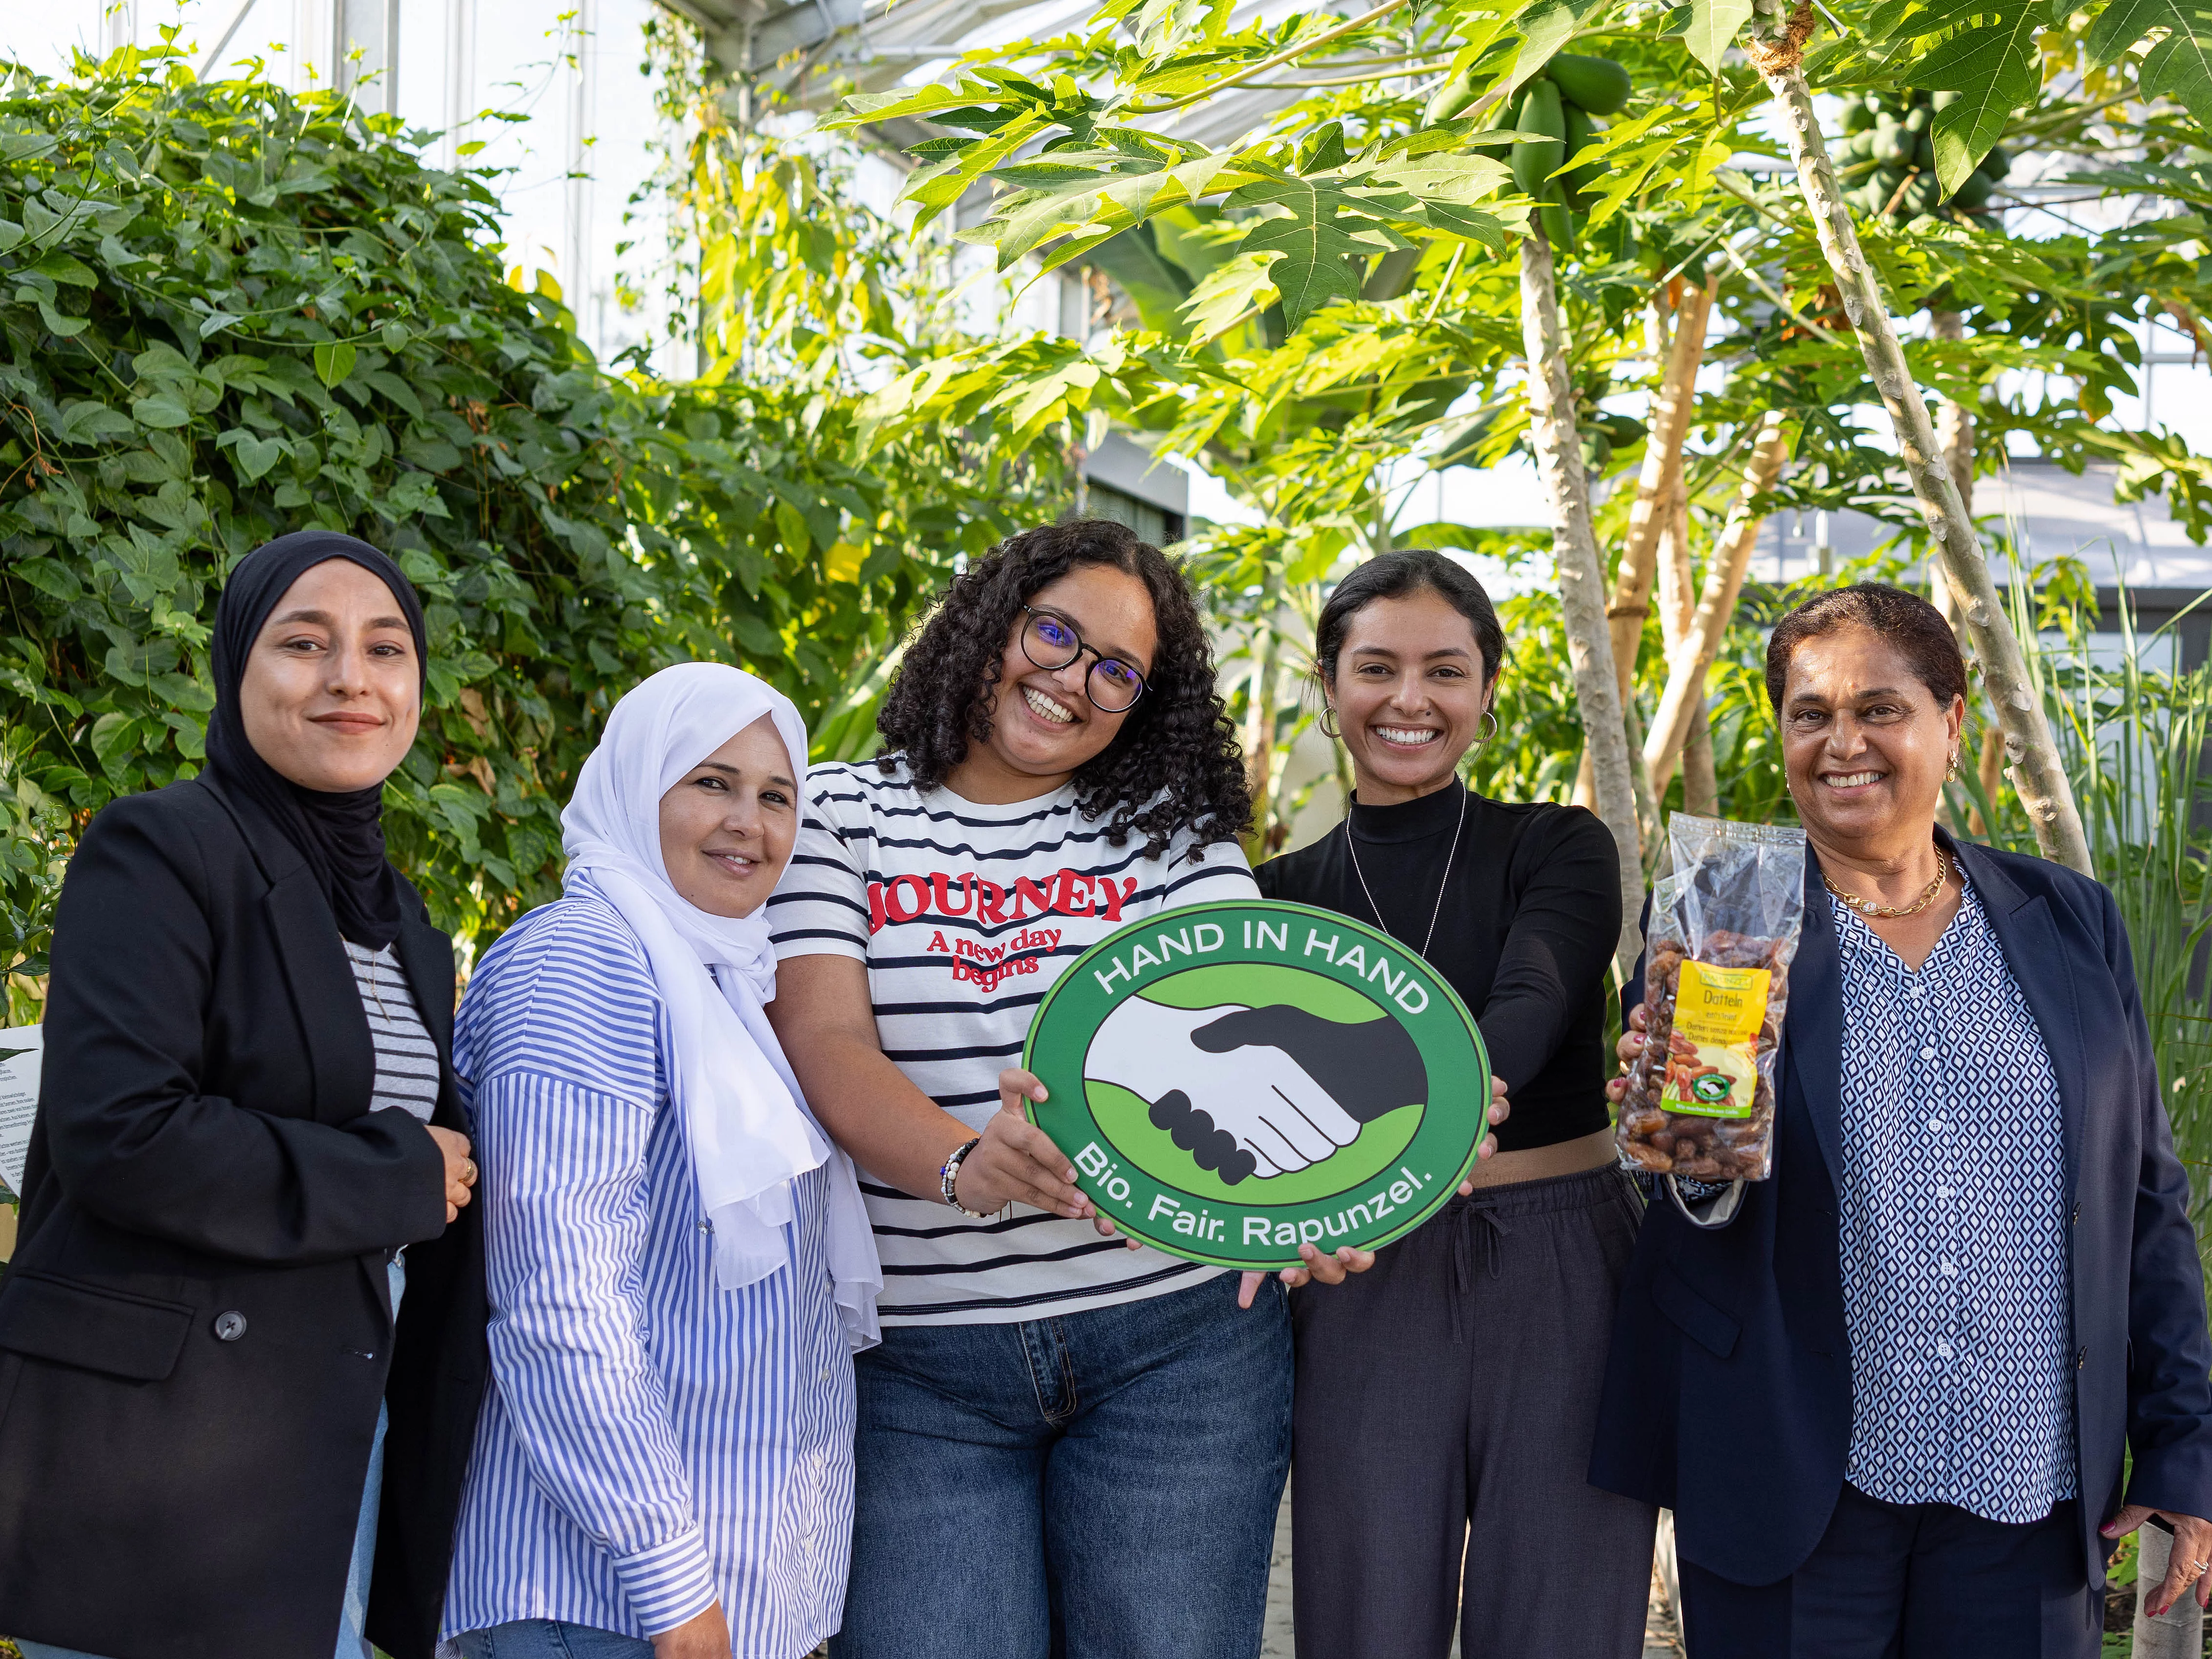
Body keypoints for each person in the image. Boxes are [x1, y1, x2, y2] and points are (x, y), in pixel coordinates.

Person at [767, 519, 1386, 1658]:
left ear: (1141, 704)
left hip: (1176, 1351)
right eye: (1054, 633)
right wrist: (963, 1163)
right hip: (920, 1369)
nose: (1071, 680)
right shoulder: (836, 815)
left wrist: (1315, 1203)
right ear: (992, 623)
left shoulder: (1180, 845)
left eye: (1116, 671)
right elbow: (823, 1042)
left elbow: (1249, 1062)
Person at [1591, 583, 2212, 1656]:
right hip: (1794, 1479)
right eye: (1808, 713)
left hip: (2024, 1477)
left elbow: (2145, 1198)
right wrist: (1679, 1142)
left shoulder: (2069, 919)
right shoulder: (1727, 911)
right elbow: (1695, 1182)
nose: (1841, 743)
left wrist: (2180, 1447)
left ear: (1951, 725)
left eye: (1877, 708)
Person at [0, 532, 487, 1659]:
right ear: (236, 668)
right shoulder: (161, 848)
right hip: (169, 1471)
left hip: (328, 1452)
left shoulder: (407, 923)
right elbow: (122, 1132)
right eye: (302, 643)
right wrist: (400, 1176)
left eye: (385, 648)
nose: (350, 679)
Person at [1250, 549, 1654, 1658]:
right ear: (1329, 686)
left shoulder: (1558, 845)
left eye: (1444, 670)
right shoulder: (1273, 898)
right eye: (1375, 668)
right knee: (1363, 1606)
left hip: (1564, 1258)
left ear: (1484, 691)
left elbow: (1530, 998)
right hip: (1364, 1269)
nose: (1409, 700)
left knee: (1565, 1609)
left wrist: (1426, 1115)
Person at [438, 663, 880, 1659]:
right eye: (711, 782)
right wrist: (677, 1591)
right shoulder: (583, 960)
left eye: (777, 796)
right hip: (599, 1599)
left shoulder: (726, 983)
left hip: (711, 1597)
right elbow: (561, 1305)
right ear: (639, 785)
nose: (750, 823)